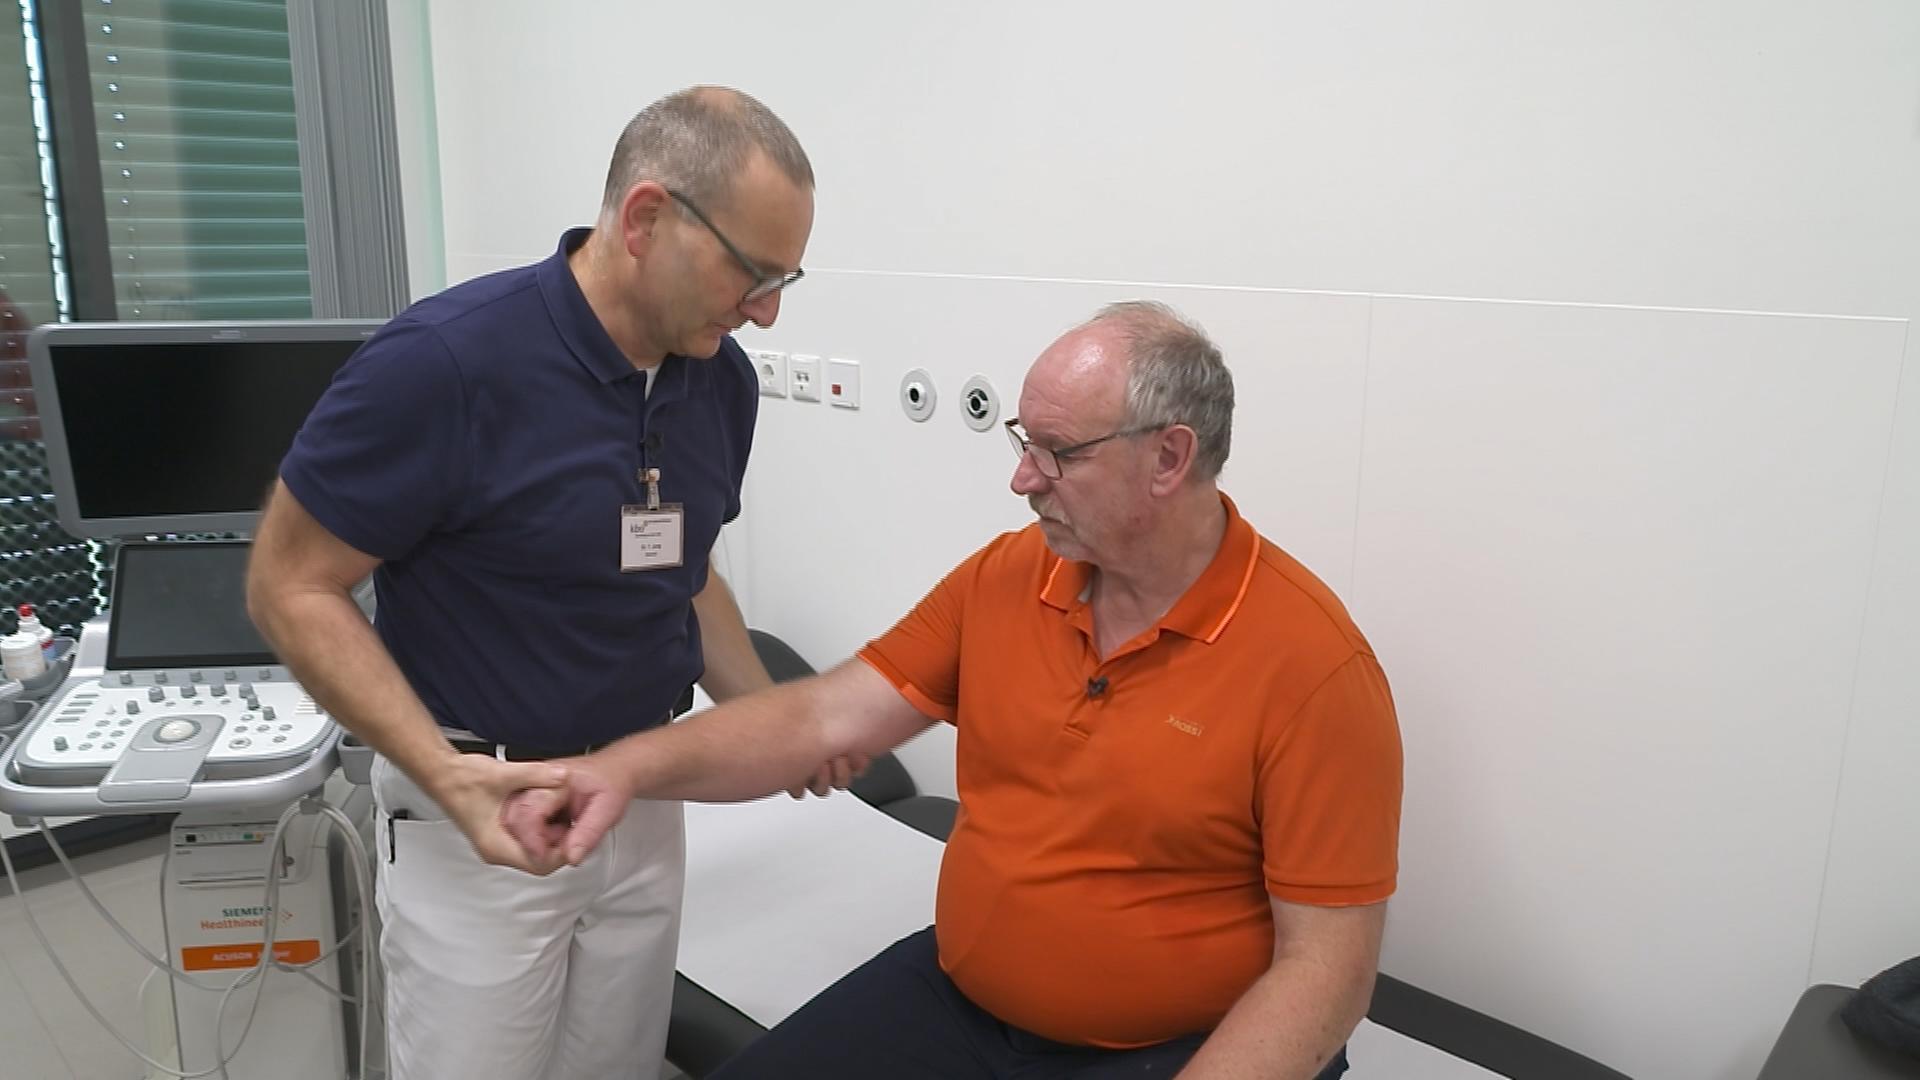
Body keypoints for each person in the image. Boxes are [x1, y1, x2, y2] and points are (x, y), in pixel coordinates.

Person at [505, 301, 1405, 1079]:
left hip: (1172, 1047)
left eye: (1057, 453)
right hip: (962, 1000)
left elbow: (1327, 971)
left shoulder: (1311, 668)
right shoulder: (1010, 577)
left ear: (1169, 458)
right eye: (1022, 441)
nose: (1022, 477)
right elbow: (823, 716)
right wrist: (621, 771)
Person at [246, 86, 848, 1080]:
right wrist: (447, 780)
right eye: (751, 272)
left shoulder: (720, 380)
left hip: (643, 800)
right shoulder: (444, 364)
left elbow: (682, 569)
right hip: (481, 811)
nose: (767, 311)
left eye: (784, 279)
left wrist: (773, 720)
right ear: (645, 219)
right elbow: (291, 585)